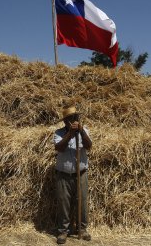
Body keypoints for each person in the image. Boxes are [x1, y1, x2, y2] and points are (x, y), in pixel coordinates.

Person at [54, 104, 92, 244]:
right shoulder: (59, 133)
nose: (73, 120)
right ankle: (63, 231)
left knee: (81, 201)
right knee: (64, 203)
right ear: (65, 121)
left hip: (80, 174)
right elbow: (59, 148)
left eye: (75, 117)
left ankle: (82, 229)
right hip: (63, 175)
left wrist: (81, 132)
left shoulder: (84, 131)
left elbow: (89, 146)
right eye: (70, 118)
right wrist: (70, 134)